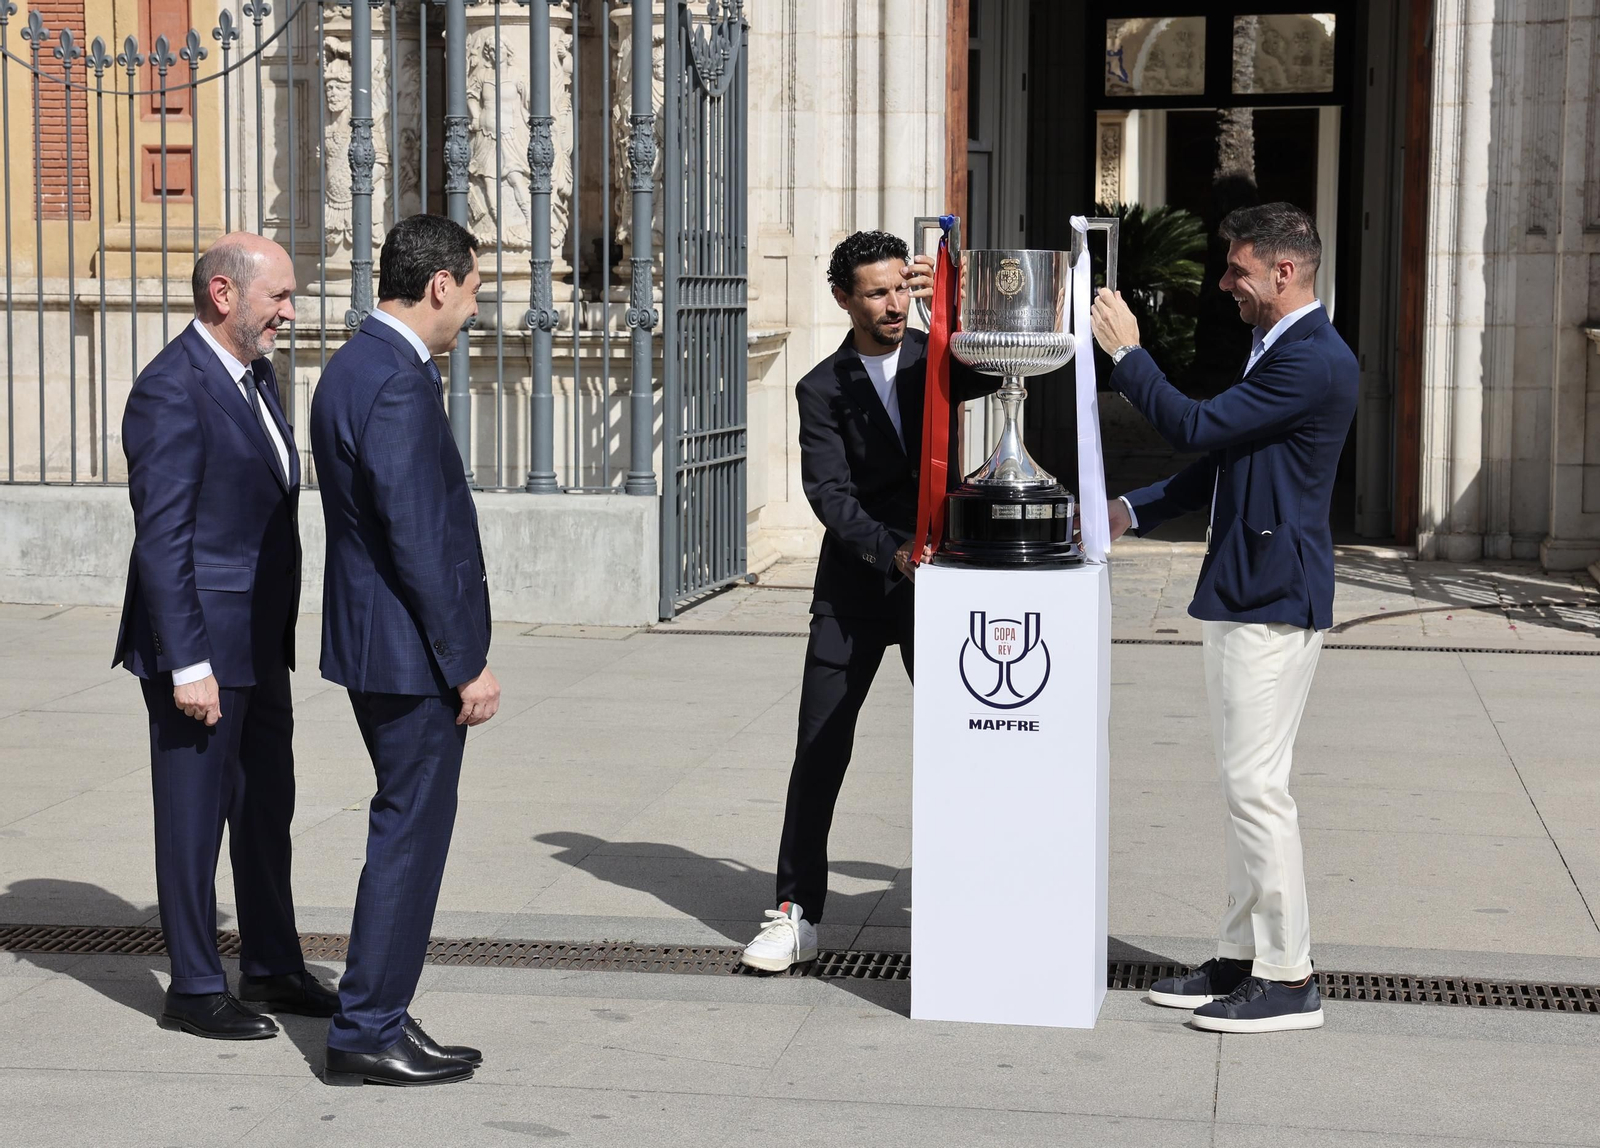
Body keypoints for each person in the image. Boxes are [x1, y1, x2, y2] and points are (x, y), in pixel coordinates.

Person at [1089, 202, 1357, 1033]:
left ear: (1285, 271)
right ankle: (1243, 956)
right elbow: (1227, 459)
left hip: (1274, 595)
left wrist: (1129, 354)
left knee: (1256, 789)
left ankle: (1288, 977)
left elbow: (1194, 424)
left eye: (1237, 269)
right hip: (1251, 587)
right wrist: (1132, 509)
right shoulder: (1277, 346)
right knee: (1246, 786)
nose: (1224, 284)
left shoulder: (1313, 357)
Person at [740, 230, 997, 972]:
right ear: (844, 298)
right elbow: (828, 493)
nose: (893, 304)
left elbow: (1014, 358)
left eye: (900, 289)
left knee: (962, 739)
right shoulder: (820, 386)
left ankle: (981, 894)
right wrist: (891, 553)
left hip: (940, 587)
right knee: (819, 749)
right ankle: (795, 914)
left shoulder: (942, 355)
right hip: (857, 585)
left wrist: (953, 292)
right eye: (878, 292)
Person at [114, 233, 336, 1040]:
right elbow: (164, 540)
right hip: (201, 650)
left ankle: (272, 964)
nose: (289, 310)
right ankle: (195, 989)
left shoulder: (254, 376)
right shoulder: (170, 390)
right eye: (277, 296)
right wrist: (189, 664)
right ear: (222, 294)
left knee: (266, 806)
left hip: (257, 641)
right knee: (193, 817)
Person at [310, 214, 499, 1085]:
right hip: (409, 653)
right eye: (471, 290)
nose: (471, 309)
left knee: (407, 827)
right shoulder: (392, 378)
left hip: (382, 641)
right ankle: (366, 1027)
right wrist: (465, 661)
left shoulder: (358, 363)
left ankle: (382, 1006)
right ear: (438, 285)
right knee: (409, 834)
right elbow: (417, 537)